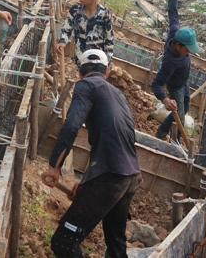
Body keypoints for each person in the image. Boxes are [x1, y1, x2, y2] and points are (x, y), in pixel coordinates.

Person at [41, 49, 141, 258]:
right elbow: (117, 141)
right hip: (130, 175)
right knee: (115, 243)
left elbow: (71, 126)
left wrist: (53, 166)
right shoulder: (118, 94)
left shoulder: (86, 85)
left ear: (80, 72)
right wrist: (87, 181)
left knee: (63, 242)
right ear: (107, 71)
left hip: (110, 177)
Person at [151, 0, 201, 141]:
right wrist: (165, 100)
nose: (189, 53)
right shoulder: (170, 62)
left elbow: (172, 11)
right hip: (176, 87)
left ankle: (165, 133)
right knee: (179, 117)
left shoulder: (175, 32)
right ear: (178, 45)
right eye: (187, 49)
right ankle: (174, 140)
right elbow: (156, 84)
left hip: (184, 81)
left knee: (184, 109)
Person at [56, 0, 114, 65]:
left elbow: (109, 39)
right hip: (81, 58)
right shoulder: (75, 10)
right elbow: (67, 28)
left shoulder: (105, 14)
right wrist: (62, 41)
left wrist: (107, 62)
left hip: (98, 61)